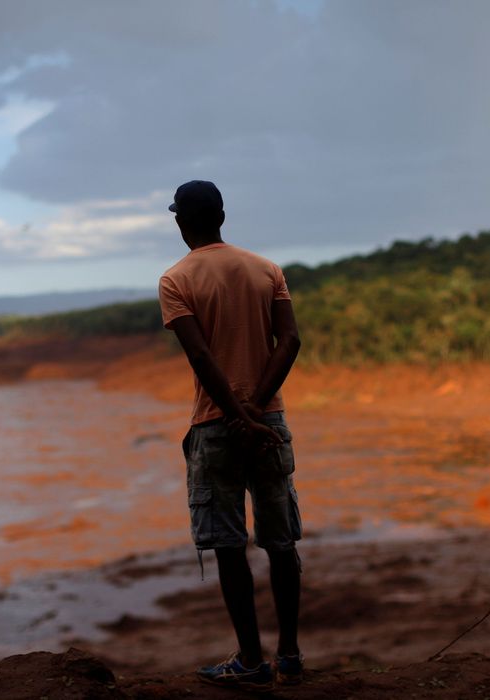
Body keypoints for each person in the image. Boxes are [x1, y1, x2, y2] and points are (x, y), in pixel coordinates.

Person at [157, 180, 304, 690]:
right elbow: (290, 340)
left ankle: (250, 661)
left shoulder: (176, 279)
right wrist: (257, 410)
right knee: (281, 542)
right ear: (222, 214)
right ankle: (289, 655)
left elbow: (201, 356)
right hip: (269, 422)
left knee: (228, 545)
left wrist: (237, 418)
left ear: (181, 222)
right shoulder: (267, 269)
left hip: (216, 425)